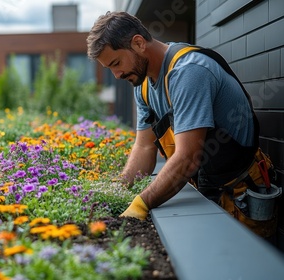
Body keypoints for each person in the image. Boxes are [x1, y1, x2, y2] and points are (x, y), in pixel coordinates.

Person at [86, 11, 277, 238]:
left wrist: (140, 205)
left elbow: (187, 158)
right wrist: (117, 190)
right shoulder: (143, 86)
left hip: (240, 197)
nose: (116, 75)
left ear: (138, 43)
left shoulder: (188, 71)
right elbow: (144, 147)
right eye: (110, 68)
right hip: (205, 191)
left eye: (116, 63)